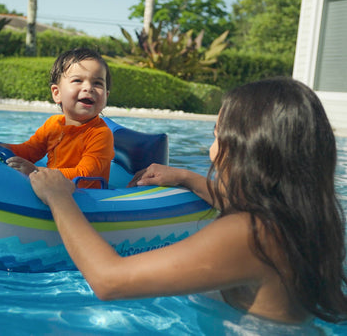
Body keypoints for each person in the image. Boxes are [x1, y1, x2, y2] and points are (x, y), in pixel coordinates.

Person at [28, 77, 347, 324]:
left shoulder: (246, 233)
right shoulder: (305, 219)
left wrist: (59, 198)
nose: (212, 150)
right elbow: (242, 202)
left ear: (243, 148)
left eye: (217, 135)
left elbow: (110, 280)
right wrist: (186, 178)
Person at [0, 48, 114, 189]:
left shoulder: (100, 134)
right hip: (54, 186)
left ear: (106, 96)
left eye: (97, 83)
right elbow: (28, 151)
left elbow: (84, 175)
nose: (88, 87)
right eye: (78, 80)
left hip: (86, 197)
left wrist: (36, 172)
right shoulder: (53, 125)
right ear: (57, 93)